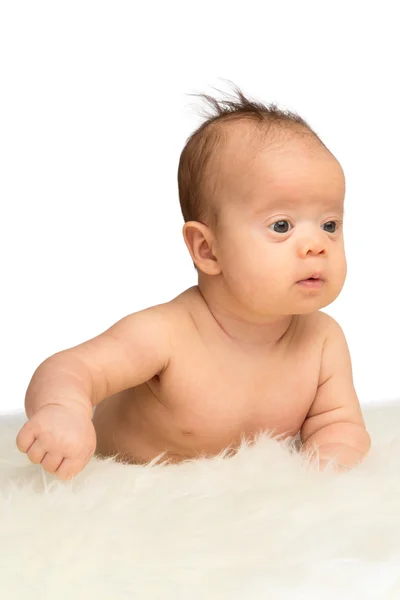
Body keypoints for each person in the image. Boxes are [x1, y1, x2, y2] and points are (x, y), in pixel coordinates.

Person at [15, 83, 371, 480]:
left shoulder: (322, 341)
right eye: (282, 225)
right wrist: (64, 411)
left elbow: (339, 425)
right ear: (207, 249)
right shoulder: (166, 334)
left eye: (329, 225)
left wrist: (329, 472)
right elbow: (71, 368)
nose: (317, 245)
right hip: (136, 491)